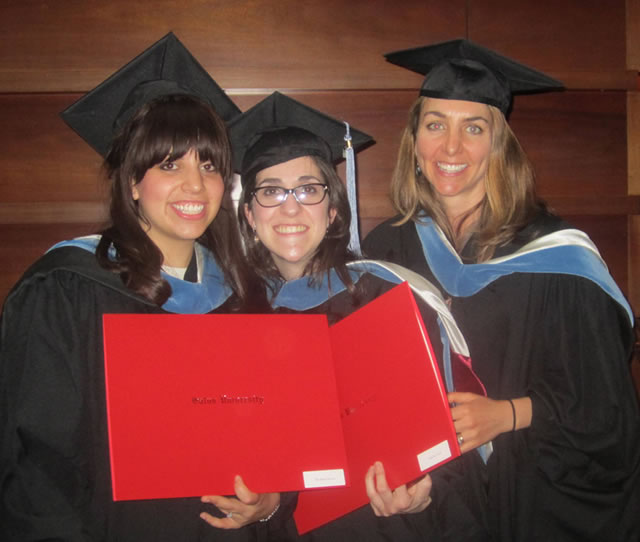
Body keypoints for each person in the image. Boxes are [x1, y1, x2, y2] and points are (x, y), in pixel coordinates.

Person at [0, 33, 285, 541]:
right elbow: (37, 466)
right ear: (132, 180)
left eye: (210, 164)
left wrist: (267, 503)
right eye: (169, 164)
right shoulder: (67, 291)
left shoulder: (243, 298)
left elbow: (277, 445)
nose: (195, 186)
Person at [363, 39, 640, 542]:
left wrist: (507, 415)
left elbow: (606, 406)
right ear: (414, 141)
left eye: (473, 128)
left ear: (499, 143)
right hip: (440, 496)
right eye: (435, 125)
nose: (451, 148)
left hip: (534, 495)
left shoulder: (556, 256)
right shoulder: (388, 248)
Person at [219, 91, 492, 542]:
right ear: (249, 214)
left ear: (332, 210)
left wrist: (422, 492)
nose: (290, 207)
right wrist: (261, 506)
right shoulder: (230, 318)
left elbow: (447, 438)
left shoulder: (388, 297)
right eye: (270, 192)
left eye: (309, 189)